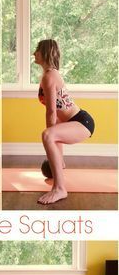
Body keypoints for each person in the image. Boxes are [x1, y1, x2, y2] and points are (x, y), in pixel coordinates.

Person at [34, 38, 95, 205]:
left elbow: (52, 112)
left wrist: (49, 138)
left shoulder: (49, 76)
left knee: (48, 134)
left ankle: (60, 188)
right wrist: (57, 159)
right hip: (71, 121)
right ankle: (59, 171)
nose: (34, 53)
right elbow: (58, 119)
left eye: (36, 50)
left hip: (82, 122)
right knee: (51, 134)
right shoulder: (48, 74)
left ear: (44, 53)